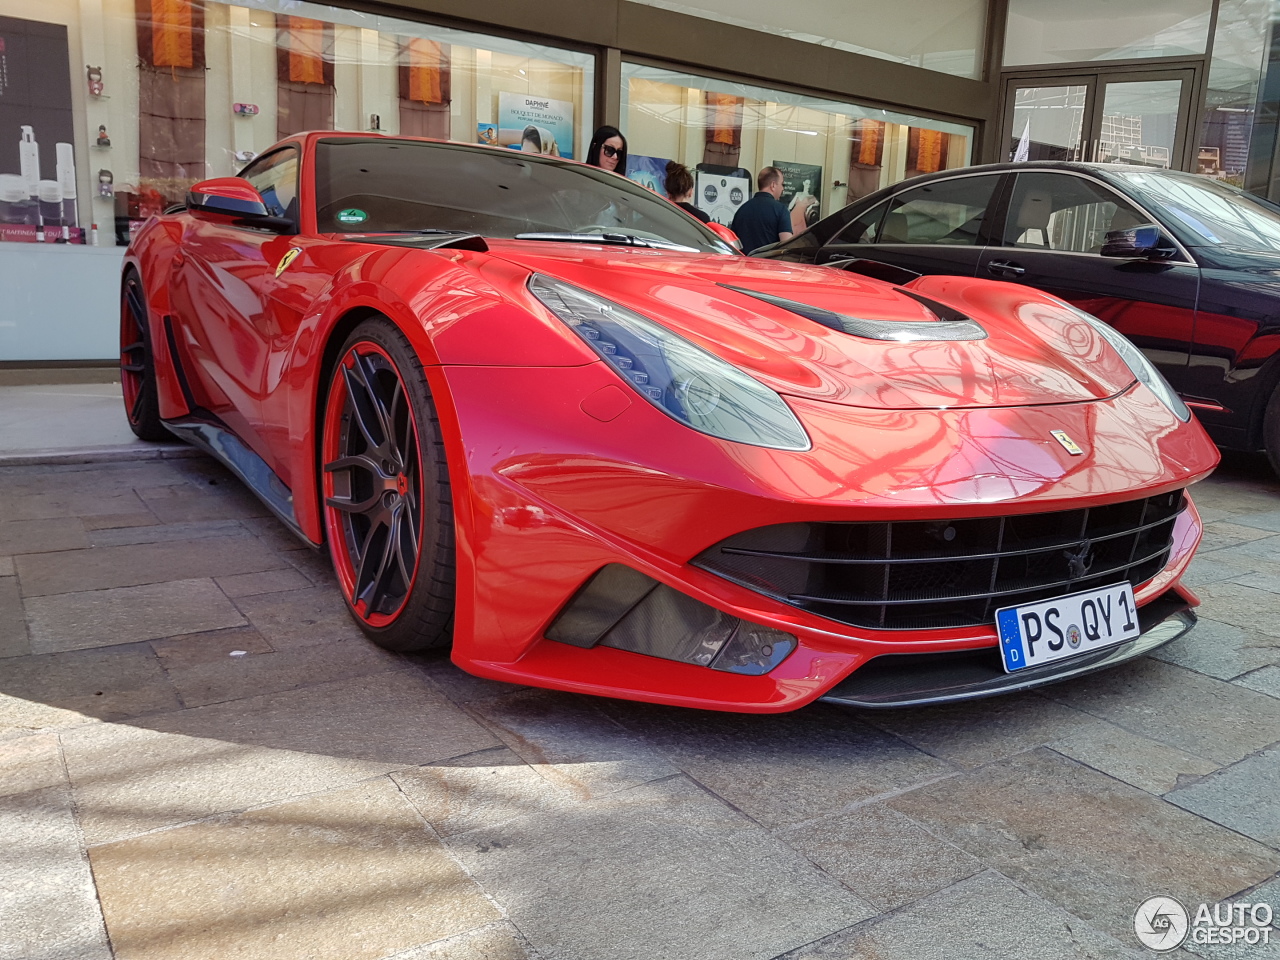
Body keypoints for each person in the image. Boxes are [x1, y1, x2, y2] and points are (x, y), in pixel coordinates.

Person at [731, 166, 793, 253]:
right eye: (782, 184)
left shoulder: (741, 210)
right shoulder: (781, 210)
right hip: (769, 265)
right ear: (773, 185)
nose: (783, 188)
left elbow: (732, 244)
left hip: (744, 264)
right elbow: (787, 246)